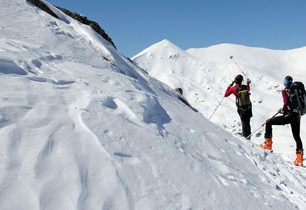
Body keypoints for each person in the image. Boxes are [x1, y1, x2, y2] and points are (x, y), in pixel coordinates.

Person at [260, 76, 303, 166]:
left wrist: (283, 110)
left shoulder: (285, 91)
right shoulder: (296, 90)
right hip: (297, 115)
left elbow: (286, 103)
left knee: (269, 122)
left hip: (290, 115)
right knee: (297, 136)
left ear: (286, 82)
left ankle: (268, 144)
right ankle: (299, 159)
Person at [224, 75, 252, 139]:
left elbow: (225, 95)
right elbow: (248, 89)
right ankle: (249, 135)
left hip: (241, 108)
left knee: (243, 121)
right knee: (247, 121)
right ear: (242, 81)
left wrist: (229, 86)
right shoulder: (245, 87)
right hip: (248, 107)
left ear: (235, 81)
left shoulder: (233, 88)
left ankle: (245, 136)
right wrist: (248, 83)